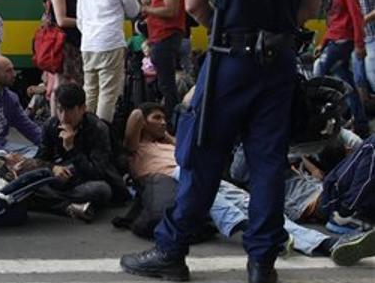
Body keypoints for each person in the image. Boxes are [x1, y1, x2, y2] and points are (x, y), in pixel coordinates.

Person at [120, 0, 326, 283]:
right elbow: (308, 9)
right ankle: (261, 265)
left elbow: (193, 4)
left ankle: (171, 253)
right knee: (269, 161)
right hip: (279, 64)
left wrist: (226, 29)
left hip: (229, 60)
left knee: (204, 154)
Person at [125, 104, 375, 265]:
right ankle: (254, 231)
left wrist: (165, 134)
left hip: (198, 175)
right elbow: (136, 116)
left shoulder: (170, 144)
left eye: (164, 118)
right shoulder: (136, 148)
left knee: (258, 208)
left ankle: (326, 244)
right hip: (175, 178)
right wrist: (148, 122)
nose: (163, 122)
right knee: (211, 196)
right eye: (157, 118)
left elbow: (185, 149)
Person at [31, 83, 129, 221]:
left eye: (69, 110)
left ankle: (48, 201)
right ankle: (70, 207)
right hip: (64, 177)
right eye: (60, 110)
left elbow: (97, 172)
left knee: (101, 190)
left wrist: (72, 149)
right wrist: (53, 168)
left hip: (87, 180)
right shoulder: (51, 125)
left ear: (83, 109)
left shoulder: (97, 128)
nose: (64, 117)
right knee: (27, 177)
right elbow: (40, 159)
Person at [76, 0, 141, 123]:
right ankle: (101, 136)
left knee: (90, 90)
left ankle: (84, 131)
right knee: (108, 93)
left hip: (88, 43)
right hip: (110, 42)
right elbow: (133, 11)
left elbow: (80, 16)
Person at [313, 0, 368, 136]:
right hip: (335, 39)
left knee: (318, 71)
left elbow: (356, 15)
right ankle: (361, 124)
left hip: (343, 41)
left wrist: (359, 44)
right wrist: (323, 43)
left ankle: (321, 122)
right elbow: (334, 21)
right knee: (346, 81)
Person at [139, 0, 187, 124]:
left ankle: (172, 125)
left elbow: (170, 10)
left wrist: (147, 9)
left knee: (167, 85)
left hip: (165, 37)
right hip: (164, 37)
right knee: (166, 84)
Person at [49, 0, 88, 91]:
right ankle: (57, 111)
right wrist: (85, 22)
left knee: (78, 80)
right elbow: (61, 20)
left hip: (77, 42)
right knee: (61, 82)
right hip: (64, 44)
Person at [346, 0, 375, 98]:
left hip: (373, 36)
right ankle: (363, 118)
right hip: (357, 38)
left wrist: (363, 20)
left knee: (372, 76)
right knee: (359, 80)